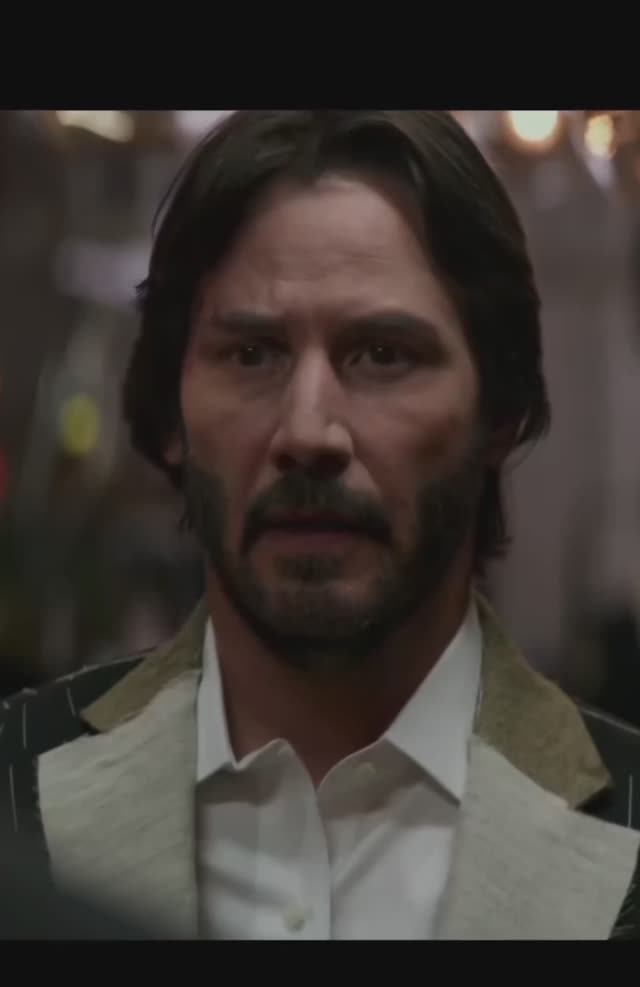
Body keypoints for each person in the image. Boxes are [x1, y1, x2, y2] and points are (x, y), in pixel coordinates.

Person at [2, 110, 639, 940]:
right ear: (170, 413)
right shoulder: (17, 788)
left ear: (500, 415)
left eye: (382, 355)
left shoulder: (625, 826)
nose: (308, 432)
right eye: (252, 354)